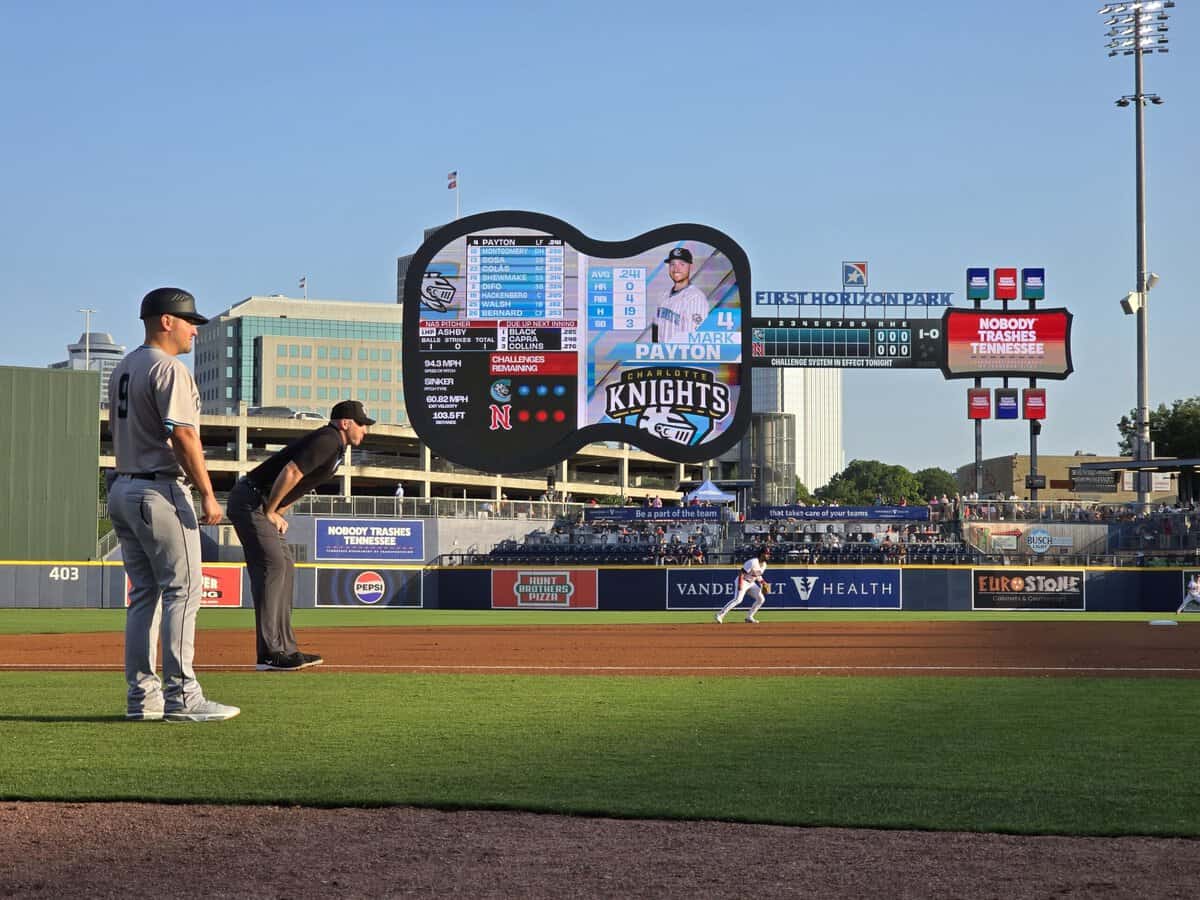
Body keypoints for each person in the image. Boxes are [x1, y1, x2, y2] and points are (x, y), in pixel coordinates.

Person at [107, 287, 239, 723]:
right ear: (166, 321)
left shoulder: (125, 366)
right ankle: (183, 697)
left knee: (144, 596)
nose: (195, 331)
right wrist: (207, 492)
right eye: (189, 322)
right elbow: (184, 436)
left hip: (124, 487)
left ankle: (141, 700)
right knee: (183, 593)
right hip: (159, 490)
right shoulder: (168, 368)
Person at [227, 399, 375, 670]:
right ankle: (270, 653)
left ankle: (286, 648)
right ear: (345, 423)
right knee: (273, 566)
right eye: (362, 424)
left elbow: (303, 484)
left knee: (286, 566)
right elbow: (292, 472)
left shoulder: (336, 447)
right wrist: (271, 510)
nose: (365, 430)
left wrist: (279, 510)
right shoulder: (328, 439)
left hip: (262, 503)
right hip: (250, 500)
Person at [652, 247, 709, 343]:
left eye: (682, 264)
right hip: (661, 356)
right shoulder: (663, 296)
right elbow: (655, 329)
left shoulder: (696, 298)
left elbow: (697, 339)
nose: (676, 269)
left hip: (681, 356)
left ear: (691, 267)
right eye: (672, 264)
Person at [715, 549, 770, 624]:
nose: (768, 555)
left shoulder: (764, 565)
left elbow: (757, 575)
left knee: (761, 599)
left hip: (751, 583)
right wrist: (740, 584)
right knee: (738, 600)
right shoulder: (753, 562)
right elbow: (741, 573)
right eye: (767, 553)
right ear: (762, 554)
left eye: (768, 553)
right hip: (743, 580)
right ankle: (720, 615)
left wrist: (763, 582)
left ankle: (749, 617)